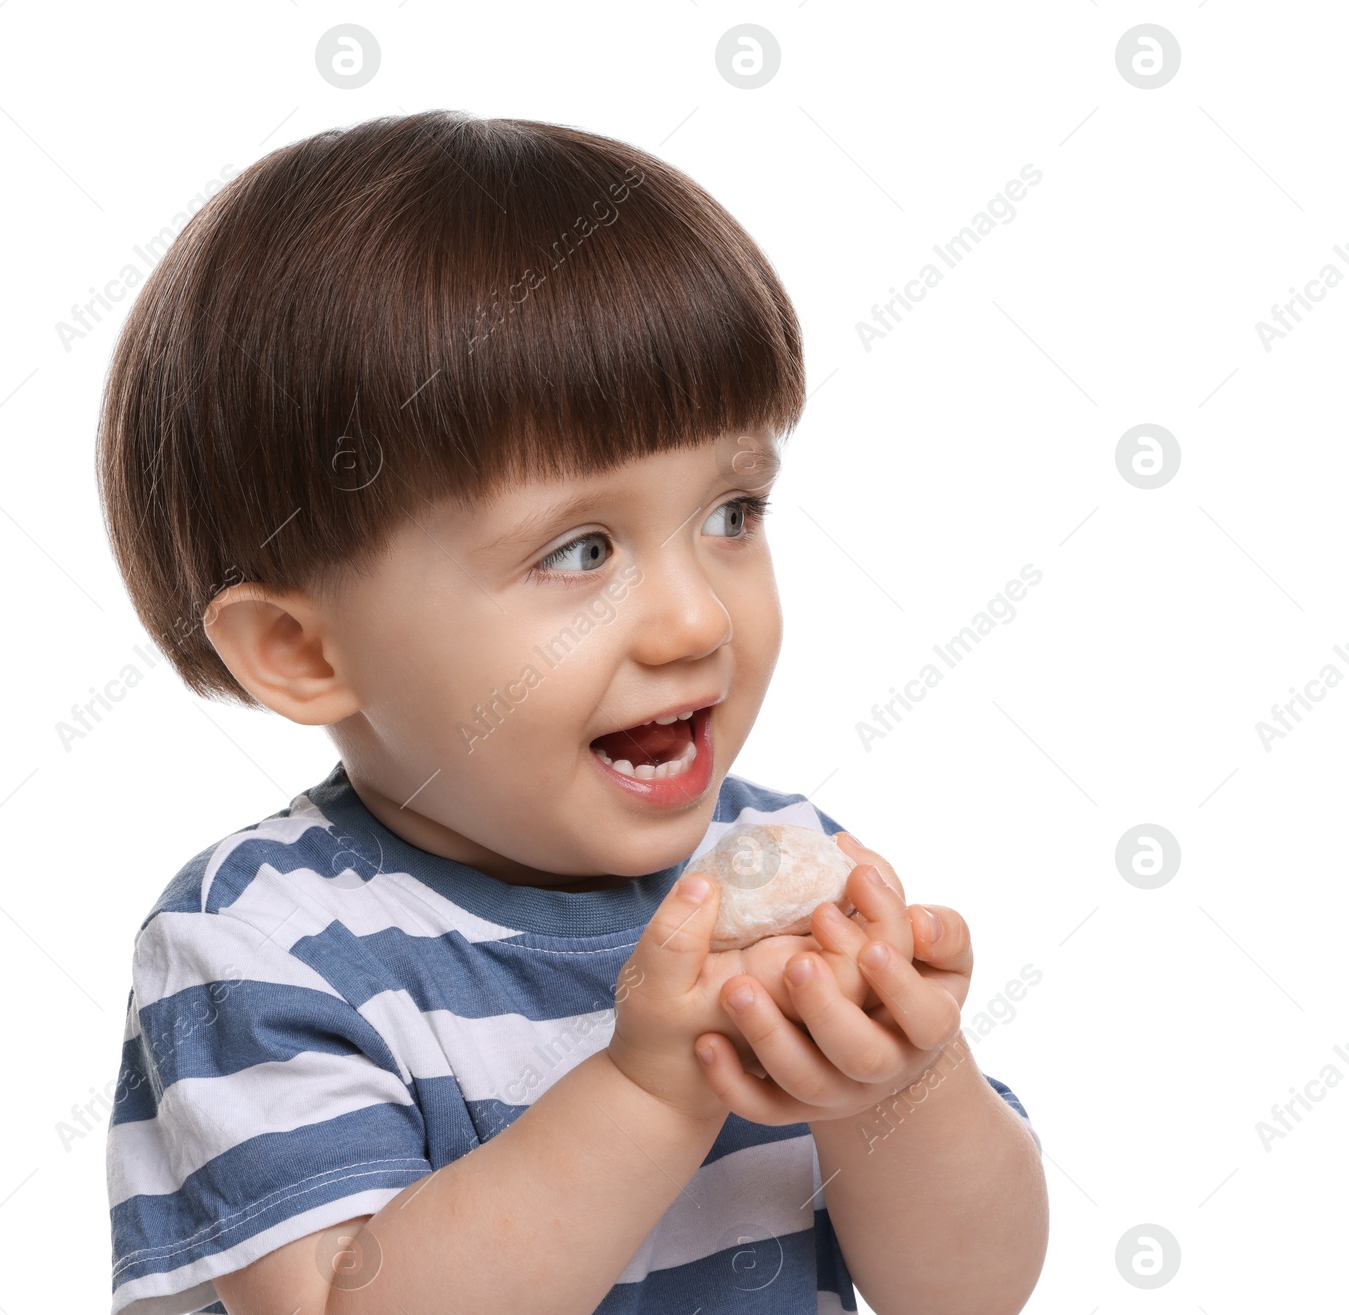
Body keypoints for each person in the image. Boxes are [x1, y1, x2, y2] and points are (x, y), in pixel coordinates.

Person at [97, 108, 1047, 1315]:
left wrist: (901, 1086)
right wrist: (647, 1093)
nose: (697, 619)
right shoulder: (257, 944)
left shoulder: (781, 868)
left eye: (731, 514)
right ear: (302, 649)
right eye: (581, 548)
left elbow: (968, 1292)